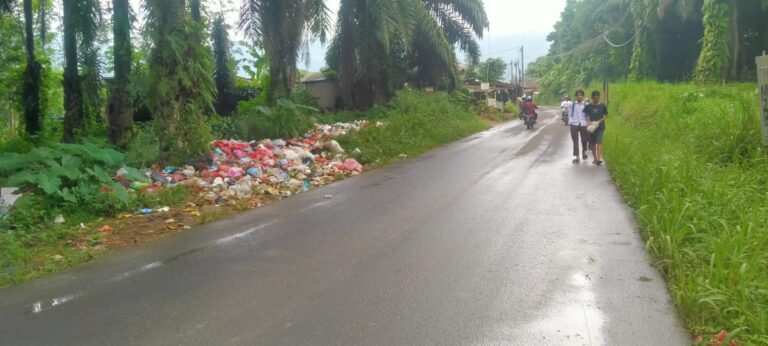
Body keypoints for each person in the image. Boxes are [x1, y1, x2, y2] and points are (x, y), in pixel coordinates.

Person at [584, 90, 608, 166]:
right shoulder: (588, 106)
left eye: (597, 97)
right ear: (592, 98)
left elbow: (606, 115)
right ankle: (595, 158)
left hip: (600, 126)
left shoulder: (603, 106)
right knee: (593, 143)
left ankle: (598, 158)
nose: (596, 99)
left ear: (599, 97)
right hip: (592, 127)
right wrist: (588, 121)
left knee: (599, 142)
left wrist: (600, 120)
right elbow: (586, 115)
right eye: (594, 98)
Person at [567, 90, 589, 163]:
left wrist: (587, 122)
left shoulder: (586, 105)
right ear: (576, 96)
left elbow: (587, 115)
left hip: (583, 124)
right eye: (578, 95)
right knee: (575, 141)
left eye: (580, 95)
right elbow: (569, 114)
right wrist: (570, 121)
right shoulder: (572, 105)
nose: (579, 96)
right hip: (574, 124)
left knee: (584, 139)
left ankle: (584, 151)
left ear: (583, 96)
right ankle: (577, 157)